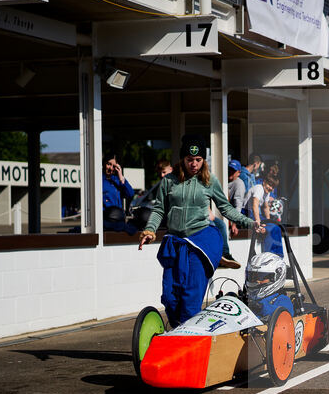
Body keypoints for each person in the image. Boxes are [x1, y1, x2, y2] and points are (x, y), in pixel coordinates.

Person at [138, 134, 263, 328]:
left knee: (190, 299)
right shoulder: (169, 181)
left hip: (201, 243)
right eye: (189, 160)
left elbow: (226, 208)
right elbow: (159, 210)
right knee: (170, 298)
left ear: (203, 160)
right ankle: (179, 331)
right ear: (182, 159)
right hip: (175, 244)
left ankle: (188, 340)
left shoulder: (209, 181)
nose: (194, 164)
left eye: (198, 160)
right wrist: (149, 230)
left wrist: (250, 222)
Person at [102, 152, 137, 234]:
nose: (111, 168)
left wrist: (121, 177)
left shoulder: (117, 180)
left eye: (114, 166)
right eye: (108, 164)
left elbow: (130, 194)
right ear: (104, 164)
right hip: (106, 222)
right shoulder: (99, 180)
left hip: (119, 221)